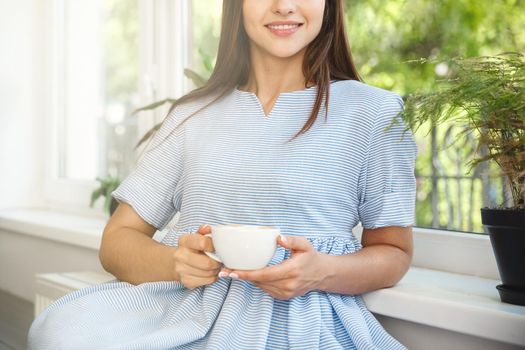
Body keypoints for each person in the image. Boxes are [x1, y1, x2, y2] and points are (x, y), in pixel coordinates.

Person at [28, 0, 417, 349]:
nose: (284, 6)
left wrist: (322, 272)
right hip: (185, 314)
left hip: (304, 323)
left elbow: (394, 253)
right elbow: (116, 242)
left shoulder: (375, 114)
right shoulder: (191, 115)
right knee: (56, 331)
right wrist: (176, 263)